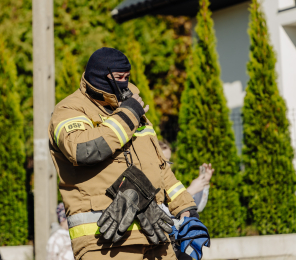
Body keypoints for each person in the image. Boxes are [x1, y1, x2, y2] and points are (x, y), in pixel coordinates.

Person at [48, 47, 198, 260]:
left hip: (154, 232)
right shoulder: (70, 110)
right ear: (99, 76)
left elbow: (160, 168)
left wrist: (186, 209)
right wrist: (128, 116)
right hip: (103, 240)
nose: (124, 83)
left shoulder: (133, 109)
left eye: (127, 77)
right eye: (118, 77)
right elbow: (83, 149)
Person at [158, 141, 214, 213]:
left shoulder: (169, 183)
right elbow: (161, 213)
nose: (168, 165)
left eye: (169, 160)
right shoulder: (149, 184)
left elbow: (195, 207)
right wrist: (190, 191)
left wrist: (204, 182)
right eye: (165, 160)